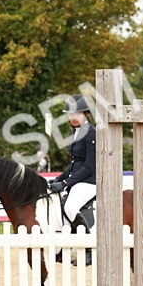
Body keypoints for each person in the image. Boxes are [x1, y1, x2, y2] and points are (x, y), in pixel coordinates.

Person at [49, 95, 97, 229]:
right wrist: (59, 178)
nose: (73, 117)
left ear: (86, 114)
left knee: (70, 207)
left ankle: (87, 244)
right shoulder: (73, 133)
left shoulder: (91, 133)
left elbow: (89, 166)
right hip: (78, 181)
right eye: (70, 114)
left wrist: (65, 183)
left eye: (77, 113)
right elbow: (75, 162)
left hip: (90, 181)